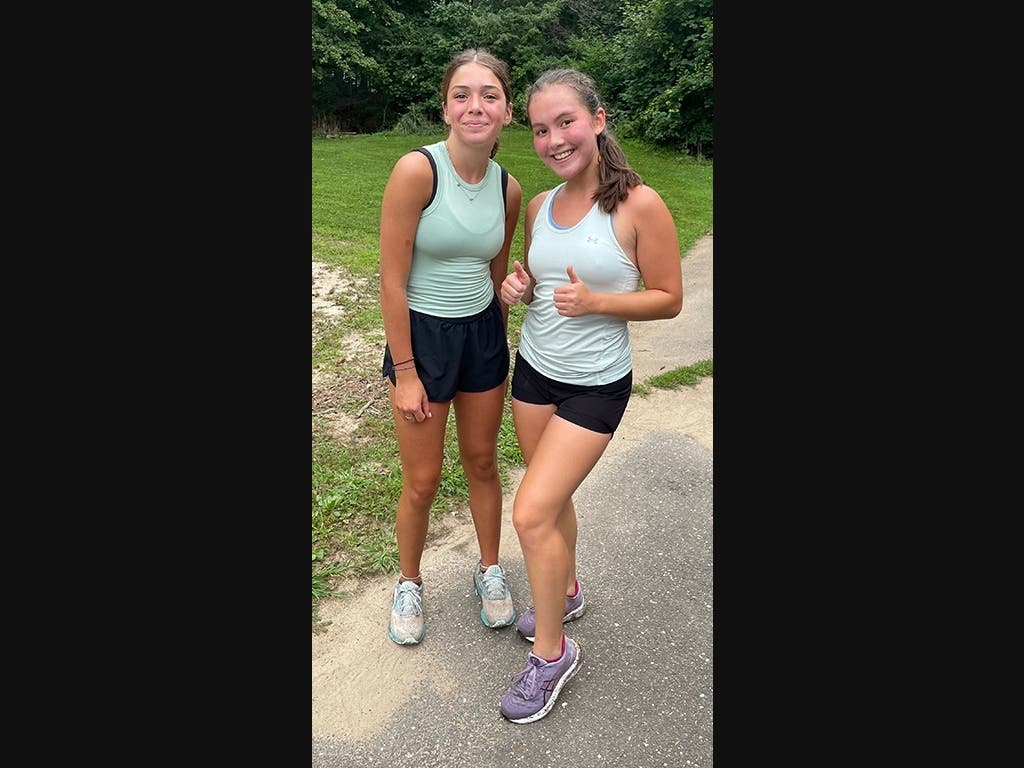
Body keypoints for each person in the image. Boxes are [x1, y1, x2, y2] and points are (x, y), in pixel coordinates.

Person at [497, 68, 683, 723]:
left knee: (530, 513)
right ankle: (566, 590)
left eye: (565, 122)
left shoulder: (640, 206)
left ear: (598, 119)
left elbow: (668, 298)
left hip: (596, 385)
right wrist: (515, 287)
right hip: (535, 373)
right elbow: (536, 276)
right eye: (541, 129)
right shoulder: (544, 205)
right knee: (554, 504)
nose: (552, 139)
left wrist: (600, 301)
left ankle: (552, 655)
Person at [378, 49, 523, 646]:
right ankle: (408, 581)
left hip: (483, 336)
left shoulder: (508, 188)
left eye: (489, 95)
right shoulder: (417, 171)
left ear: (506, 111)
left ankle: (489, 569)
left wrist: (511, 289)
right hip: (424, 340)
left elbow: (492, 275)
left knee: (483, 463)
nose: (475, 106)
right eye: (462, 94)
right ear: (445, 106)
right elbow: (391, 279)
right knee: (422, 480)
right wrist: (407, 372)